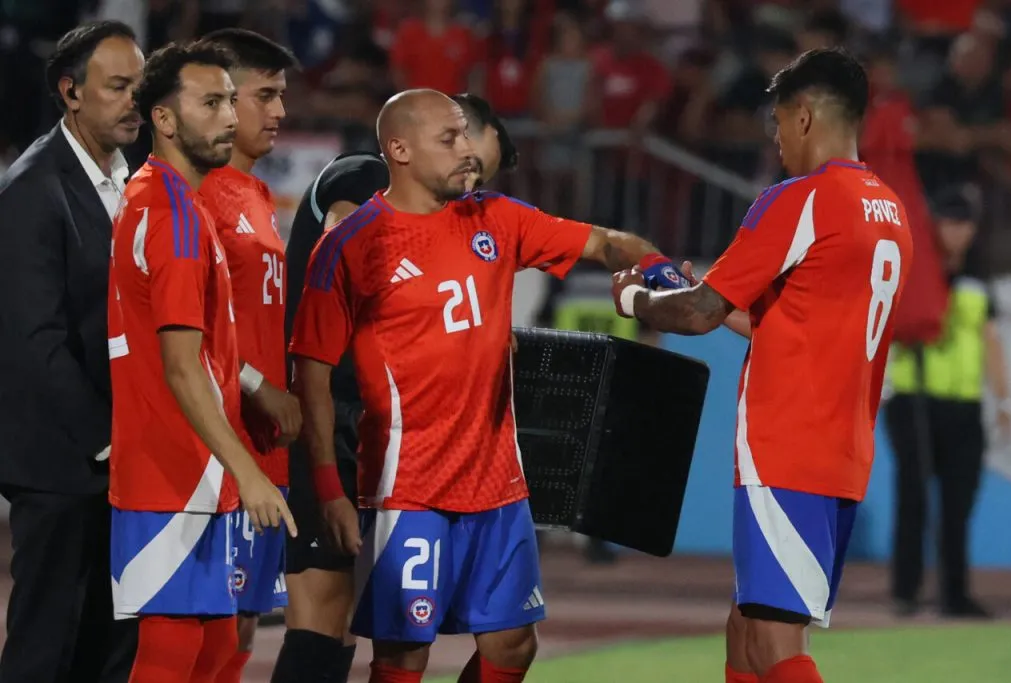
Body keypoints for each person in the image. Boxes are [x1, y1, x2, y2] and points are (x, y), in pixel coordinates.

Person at [288, 87, 676, 683]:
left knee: (513, 645)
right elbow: (311, 372)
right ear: (400, 149)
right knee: (401, 655)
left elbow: (604, 241)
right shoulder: (351, 244)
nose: (468, 151)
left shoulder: (496, 217)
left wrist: (660, 273)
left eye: (467, 135)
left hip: (498, 483)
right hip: (405, 487)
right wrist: (329, 491)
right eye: (450, 139)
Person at [610, 48, 914, 683]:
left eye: (777, 123)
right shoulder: (888, 210)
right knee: (748, 625)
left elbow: (694, 314)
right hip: (841, 447)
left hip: (787, 446)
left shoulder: (799, 199)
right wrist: (712, 300)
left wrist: (635, 298)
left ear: (803, 116)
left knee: (777, 641)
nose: (775, 140)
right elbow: (794, 321)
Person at [271, 91, 518, 683]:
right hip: (329, 416)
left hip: (390, 433)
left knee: (383, 621)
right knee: (324, 614)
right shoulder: (366, 176)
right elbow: (351, 237)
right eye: (467, 154)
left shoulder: (445, 217)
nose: (470, 175)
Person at [107, 40, 295, 683]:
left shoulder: (168, 200)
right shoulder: (173, 215)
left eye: (227, 100)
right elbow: (183, 366)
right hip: (172, 474)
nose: (227, 116)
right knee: (174, 655)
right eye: (210, 102)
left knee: (216, 649)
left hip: (194, 475)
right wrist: (250, 469)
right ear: (164, 119)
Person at [0, 20, 143, 683]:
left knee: (111, 644)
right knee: (46, 639)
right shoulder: (32, 189)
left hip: (123, 459)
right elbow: (37, 340)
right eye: (117, 86)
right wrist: (110, 437)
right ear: (71, 92)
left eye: (139, 86)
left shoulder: (135, 180)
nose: (133, 101)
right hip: (62, 464)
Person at [195, 28, 303, 683]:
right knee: (208, 621)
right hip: (220, 449)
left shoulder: (257, 195)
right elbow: (181, 327)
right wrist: (260, 382)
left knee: (240, 624)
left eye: (282, 95)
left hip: (266, 448)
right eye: (266, 95)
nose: (280, 112)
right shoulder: (199, 194)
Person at [885, 186, 1011, 619]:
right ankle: (905, 590)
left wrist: (1005, 399)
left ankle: (954, 594)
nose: (958, 233)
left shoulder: (978, 281)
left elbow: (990, 339)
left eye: (965, 224)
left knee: (958, 506)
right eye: (950, 222)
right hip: (913, 396)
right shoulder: (915, 272)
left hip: (963, 405)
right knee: (913, 500)